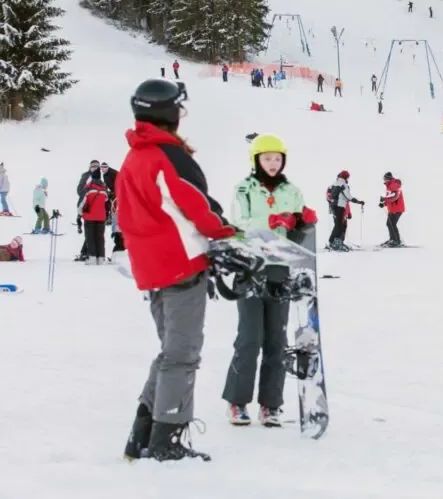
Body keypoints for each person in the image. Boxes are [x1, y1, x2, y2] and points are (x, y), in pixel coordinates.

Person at [118, 78, 238, 462]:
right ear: (169, 113)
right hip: (179, 267)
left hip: (153, 270)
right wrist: (224, 231)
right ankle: (166, 441)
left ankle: (143, 432)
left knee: (171, 351)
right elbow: (196, 206)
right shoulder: (164, 156)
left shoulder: (135, 156)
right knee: (182, 355)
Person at [223, 134, 317, 427]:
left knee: (277, 340)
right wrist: (274, 222)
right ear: (256, 160)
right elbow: (239, 224)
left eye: (277, 159)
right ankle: (237, 402)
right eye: (267, 158)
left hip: (280, 271)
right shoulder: (244, 189)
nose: (273, 164)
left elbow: (300, 235)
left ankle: (271, 404)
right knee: (249, 338)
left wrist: (304, 221)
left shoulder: (292, 191)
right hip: (250, 267)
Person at [327, 171, 364, 251]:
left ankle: (332, 242)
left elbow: (329, 196)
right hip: (340, 206)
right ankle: (337, 244)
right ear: (346, 177)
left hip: (334, 206)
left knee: (337, 225)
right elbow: (349, 197)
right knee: (340, 225)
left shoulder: (334, 183)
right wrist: (359, 202)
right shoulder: (344, 185)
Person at [78, 173, 109, 264]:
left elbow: (81, 203)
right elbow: (106, 200)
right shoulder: (104, 189)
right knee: (100, 237)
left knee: (90, 237)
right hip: (101, 217)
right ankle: (101, 258)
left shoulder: (88, 188)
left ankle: (92, 257)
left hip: (90, 217)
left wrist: (80, 214)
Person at [380, 172, 405, 247]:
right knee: (389, 224)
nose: (384, 180)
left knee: (392, 224)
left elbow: (394, 196)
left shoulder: (393, 185)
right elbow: (390, 197)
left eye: (385, 178)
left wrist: (384, 199)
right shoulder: (390, 185)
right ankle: (393, 240)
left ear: (388, 178)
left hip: (396, 209)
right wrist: (384, 203)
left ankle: (396, 241)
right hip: (392, 209)